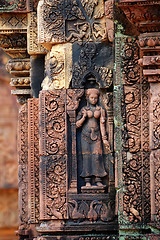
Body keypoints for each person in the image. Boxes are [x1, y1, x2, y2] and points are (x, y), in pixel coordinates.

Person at [76, 88, 111, 187]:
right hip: (85, 136)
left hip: (97, 135)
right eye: (91, 98)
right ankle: (87, 180)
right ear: (87, 98)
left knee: (97, 157)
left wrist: (104, 139)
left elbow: (102, 125)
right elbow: (76, 125)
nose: (94, 100)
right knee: (86, 157)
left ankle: (98, 179)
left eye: (95, 98)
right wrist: (84, 117)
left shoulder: (100, 110)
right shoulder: (84, 110)